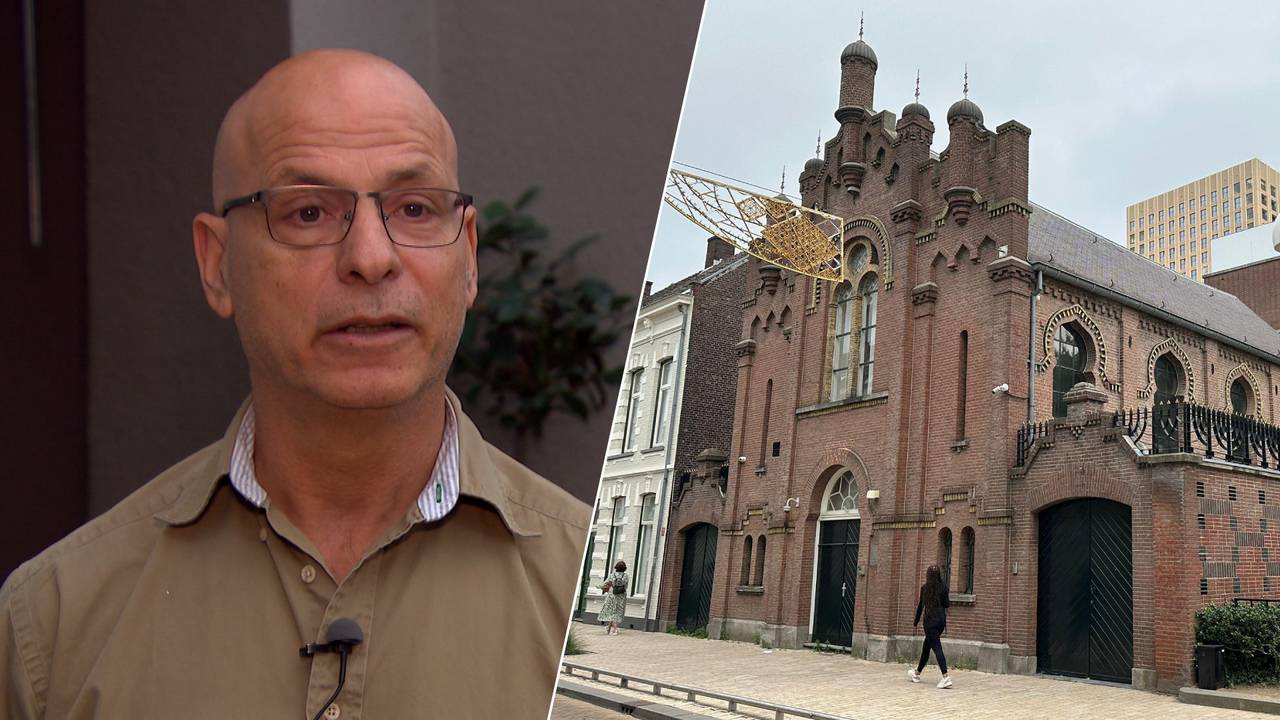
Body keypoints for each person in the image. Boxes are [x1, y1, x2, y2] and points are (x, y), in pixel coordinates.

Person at [0, 50, 589, 719]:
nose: (371, 258)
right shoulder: (53, 624)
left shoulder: (576, 588)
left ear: (469, 259)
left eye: (417, 208)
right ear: (217, 264)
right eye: (309, 212)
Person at [909, 565, 953, 689]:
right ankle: (917, 674)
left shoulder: (925, 588)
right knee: (926, 647)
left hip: (930, 623)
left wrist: (916, 622)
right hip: (941, 623)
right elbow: (947, 604)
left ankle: (946, 677)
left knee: (937, 648)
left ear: (928, 575)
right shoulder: (944, 588)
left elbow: (920, 607)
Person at [598, 560, 629, 635]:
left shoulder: (612, 575)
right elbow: (626, 586)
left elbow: (604, 584)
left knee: (612, 611)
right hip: (621, 595)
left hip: (612, 595)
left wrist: (600, 587)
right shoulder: (626, 576)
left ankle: (615, 629)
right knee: (618, 612)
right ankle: (609, 627)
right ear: (624, 568)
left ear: (616, 568)